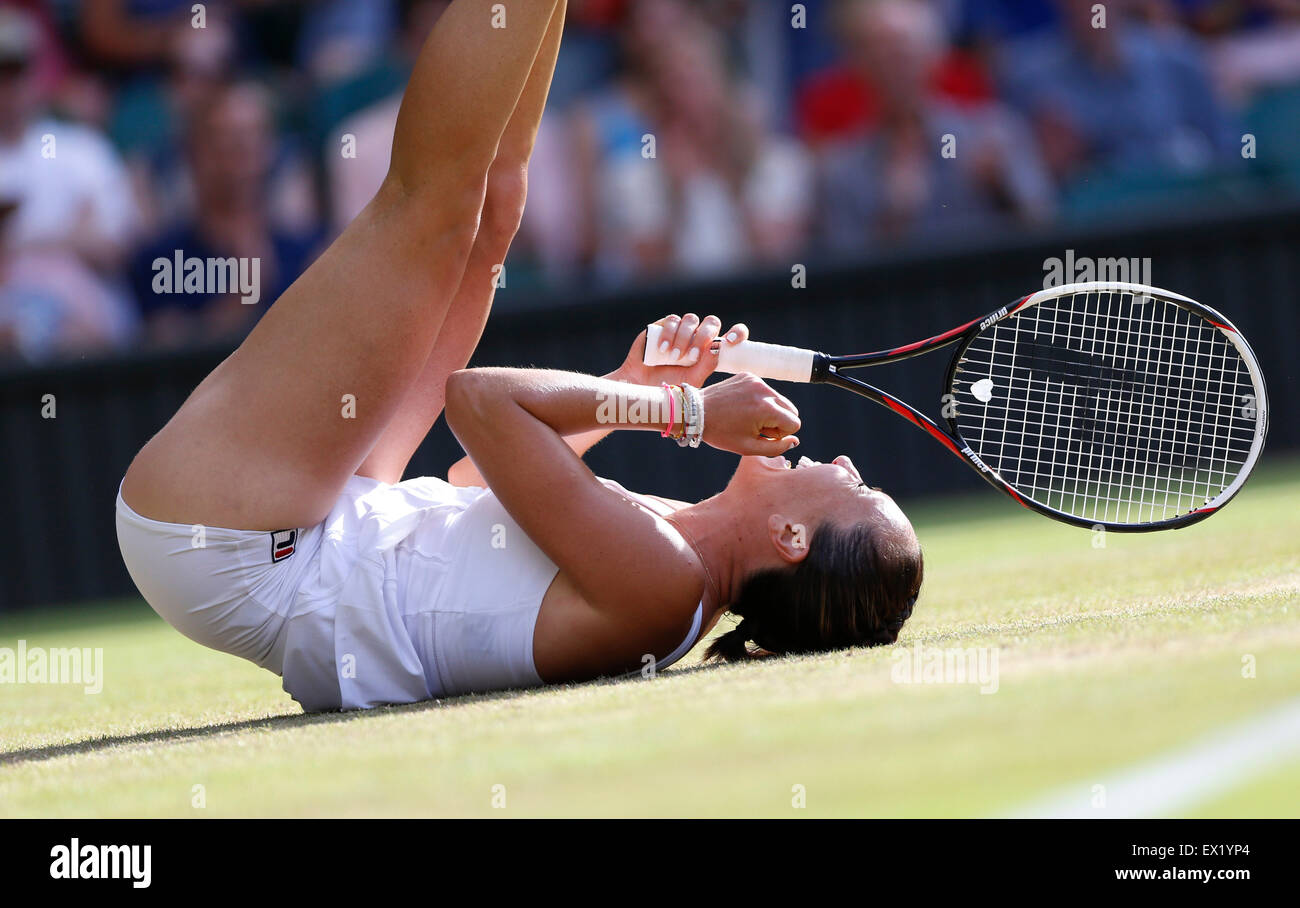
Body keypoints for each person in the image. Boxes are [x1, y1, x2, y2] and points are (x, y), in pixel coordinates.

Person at [116, 0, 922, 712]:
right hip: (337, 519)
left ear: (790, 538)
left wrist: (688, 412)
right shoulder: (679, 555)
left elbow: (480, 401)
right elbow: (480, 486)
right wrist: (628, 386)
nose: (848, 461)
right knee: (495, 207)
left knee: (428, 209)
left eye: (860, 490)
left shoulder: (671, 585)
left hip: (240, 546)